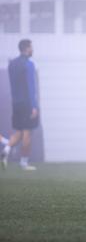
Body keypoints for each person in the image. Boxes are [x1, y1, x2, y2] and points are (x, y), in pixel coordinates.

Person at [0, 39, 39, 171]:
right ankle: (24, 163)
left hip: (16, 103)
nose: (32, 50)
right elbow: (30, 86)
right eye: (31, 47)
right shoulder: (28, 64)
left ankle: (5, 150)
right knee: (27, 133)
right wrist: (34, 106)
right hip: (27, 103)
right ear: (26, 48)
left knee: (19, 133)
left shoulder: (12, 64)